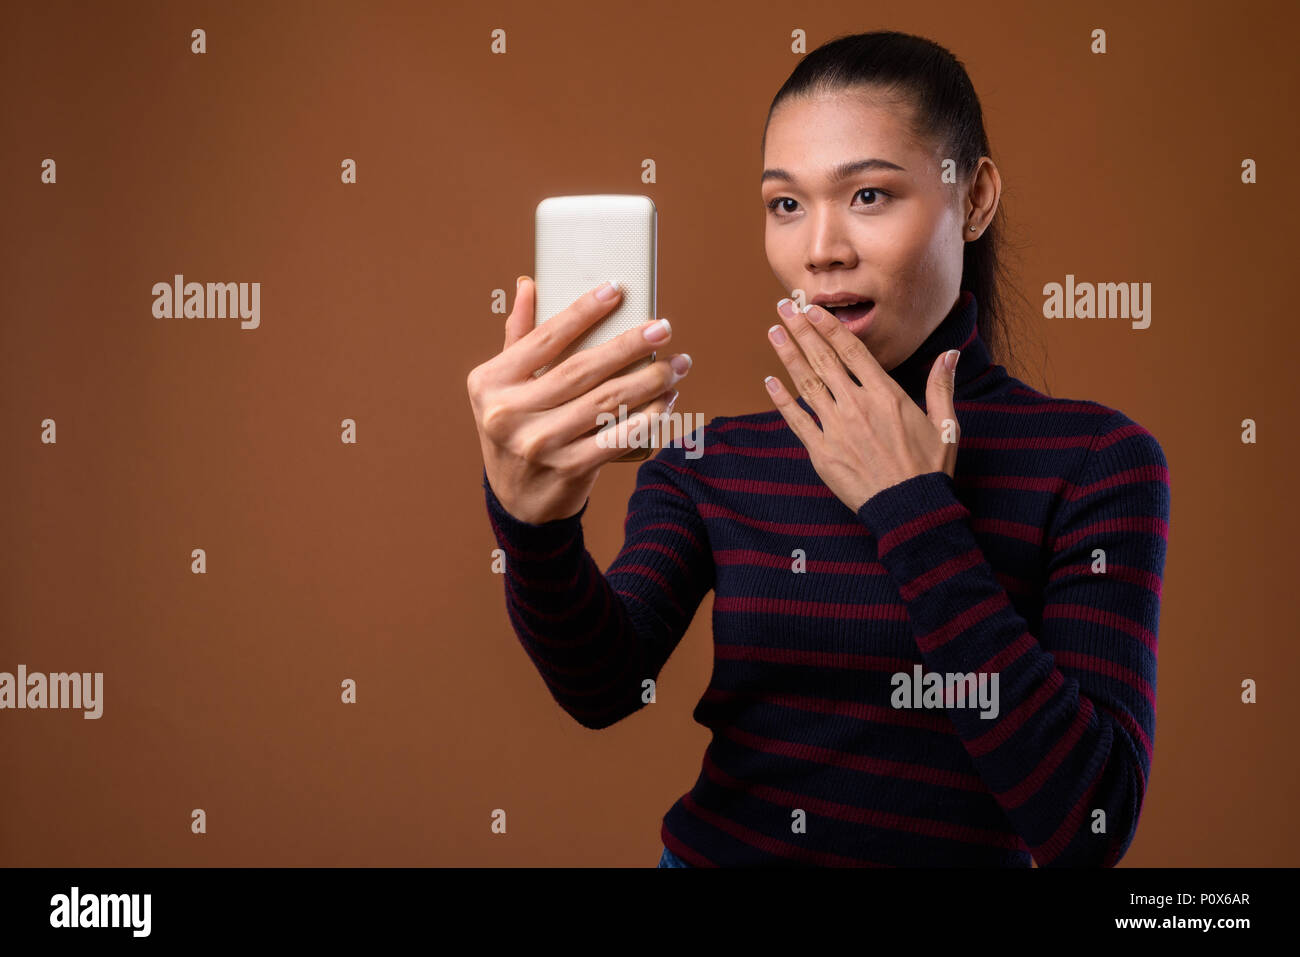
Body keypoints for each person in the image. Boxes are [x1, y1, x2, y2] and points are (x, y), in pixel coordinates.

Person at [466, 30, 1169, 867]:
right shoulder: (711, 462)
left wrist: (915, 511)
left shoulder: (1097, 460)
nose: (820, 249)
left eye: (869, 195)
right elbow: (604, 686)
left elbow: (1089, 819)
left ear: (974, 198)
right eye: (786, 204)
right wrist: (531, 525)